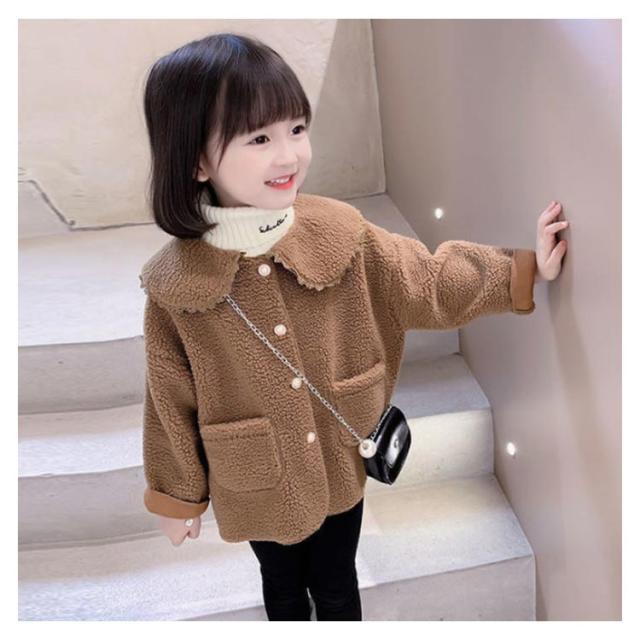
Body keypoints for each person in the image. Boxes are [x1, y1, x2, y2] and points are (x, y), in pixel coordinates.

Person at [139, 32, 569, 622]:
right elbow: (168, 398)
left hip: (343, 453)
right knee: (282, 587)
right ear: (195, 159)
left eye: (296, 129)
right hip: (258, 477)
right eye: (259, 138)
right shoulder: (176, 287)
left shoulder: (342, 234)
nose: (288, 155)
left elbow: (428, 280)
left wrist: (524, 269)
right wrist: (178, 494)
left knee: (338, 582)